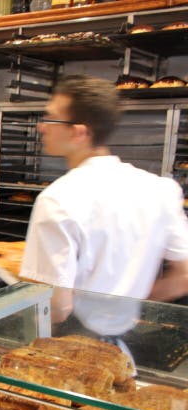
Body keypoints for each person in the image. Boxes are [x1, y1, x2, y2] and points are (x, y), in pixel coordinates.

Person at [20, 75, 188, 336]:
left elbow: (57, 308)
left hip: (72, 343)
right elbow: (183, 278)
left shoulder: (58, 199)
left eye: (51, 118)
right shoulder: (162, 190)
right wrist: (125, 307)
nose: (42, 127)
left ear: (79, 132)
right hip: (128, 343)